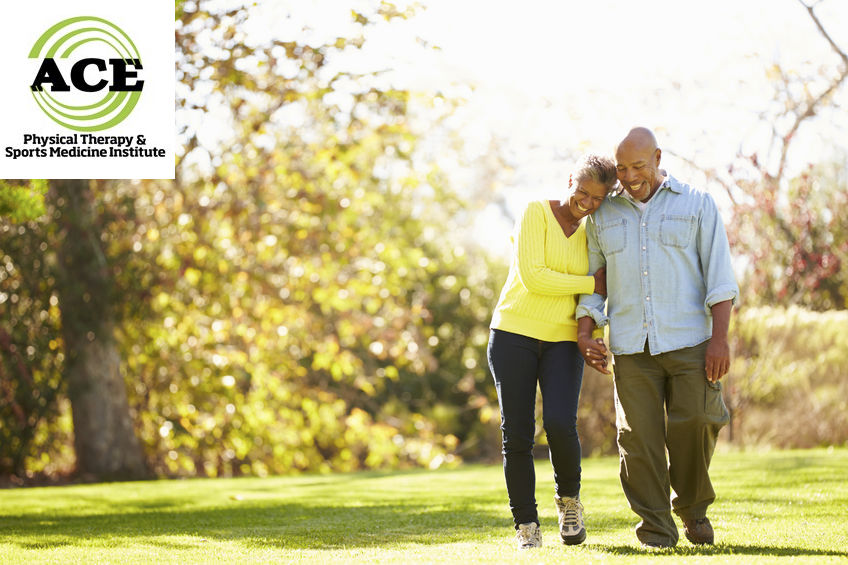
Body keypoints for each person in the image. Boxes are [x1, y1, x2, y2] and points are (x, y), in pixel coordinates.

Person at [576, 127, 739, 549]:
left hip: (691, 340)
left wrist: (720, 339)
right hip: (632, 346)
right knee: (638, 442)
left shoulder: (698, 203)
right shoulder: (603, 216)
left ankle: (692, 508)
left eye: (639, 166)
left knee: (699, 421)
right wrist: (586, 329)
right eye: (623, 168)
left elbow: (720, 276)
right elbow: (596, 280)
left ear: (658, 158)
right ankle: (656, 530)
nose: (630, 176)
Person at [487, 154, 618, 549]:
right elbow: (533, 276)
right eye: (583, 192)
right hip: (513, 333)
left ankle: (570, 503)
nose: (588, 202)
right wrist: (587, 282)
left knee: (561, 423)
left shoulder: (595, 231)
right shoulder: (534, 213)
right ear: (569, 182)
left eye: (598, 198)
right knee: (519, 435)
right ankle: (526, 525)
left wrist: (593, 318)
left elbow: (600, 290)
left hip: (563, 340)